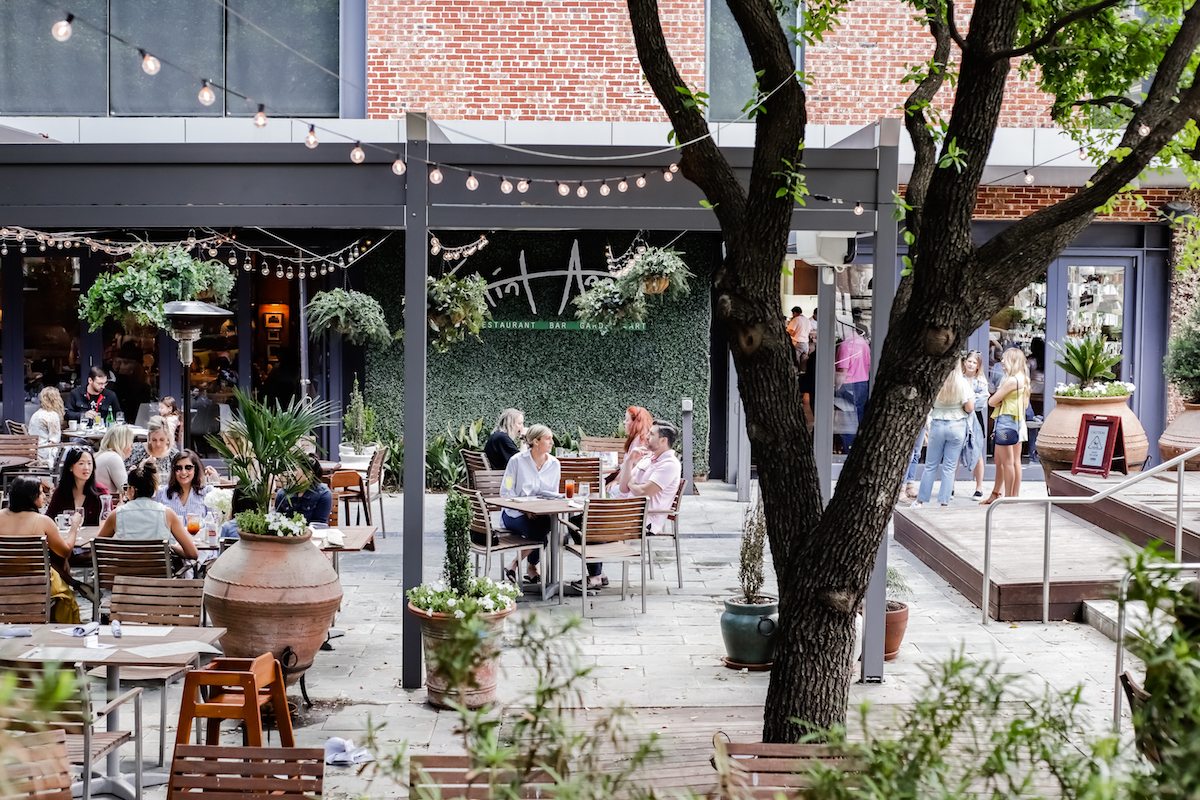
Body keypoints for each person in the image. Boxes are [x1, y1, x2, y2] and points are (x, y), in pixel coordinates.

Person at [601, 419, 684, 592]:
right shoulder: (647, 459)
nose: (646, 436)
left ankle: (594, 576)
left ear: (663, 441)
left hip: (643, 520)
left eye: (651, 434)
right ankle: (596, 575)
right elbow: (624, 487)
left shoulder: (669, 464)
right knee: (579, 523)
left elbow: (644, 491)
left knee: (589, 525)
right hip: (627, 513)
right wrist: (630, 461)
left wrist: (632, 484)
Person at [0, 477, 81, 622]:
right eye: (41, 492)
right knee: (59, 567)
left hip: (4, 582)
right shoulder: (43, 521)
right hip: (37, 583)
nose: (44, 496)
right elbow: (66, 551)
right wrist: (74, 526)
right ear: (31, 497)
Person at [96, 460, 199, 559]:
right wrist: (170, 548)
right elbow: (192, 553)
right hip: (159, 575)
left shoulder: (117, 514)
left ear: (132, 490)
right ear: (154, 488)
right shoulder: (167, 513)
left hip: (124, 574)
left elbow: (98, 547)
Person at [500, 424, 561, 586]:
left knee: (544, 525)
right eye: (548, 439)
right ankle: (530, 567)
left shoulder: (554, 464)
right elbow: (506, 492)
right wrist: (524, 509)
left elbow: (552, 494)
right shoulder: (516, 462)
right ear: (535, 441)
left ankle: (515, 565)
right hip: (514, 514)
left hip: (540, 514)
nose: (552, 442)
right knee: (543, 533)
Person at [912, 362, 974, 507]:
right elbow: (970, 407)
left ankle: (920, 501)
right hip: (957, 425)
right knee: (949, 467)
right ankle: (943, 503)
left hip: (938, 424)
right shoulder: (962, 383)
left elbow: (927, 402)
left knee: (930, 466)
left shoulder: (935, 381)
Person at [982, 347, 1030, 505]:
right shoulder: (1022, 378)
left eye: (1004, 359)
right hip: (1017, 422)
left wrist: (998, 400)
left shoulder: (1011, 380)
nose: (1001, 361)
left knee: (1006, 462)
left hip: (1005, 423)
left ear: (1012, 361)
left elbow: (991, 401)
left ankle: (1008, 498)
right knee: (1015, 462)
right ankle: (1012, 496)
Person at [156, 449, 220, 521]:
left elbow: (214, 522)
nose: (183, 472)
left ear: (195, 469)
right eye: (178, 468)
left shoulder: (207, 492)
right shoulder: (161, 493)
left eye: (188, 467)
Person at [45, 445, 103, 525]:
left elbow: (107, 521)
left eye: (89, 463)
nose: (86, 467)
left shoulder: (101, 492)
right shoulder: (61, 492)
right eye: (81, 463)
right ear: (70, 467)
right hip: (65, 536)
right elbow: (49, 518)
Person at [835, 326, 871, 449]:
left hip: (848, 385)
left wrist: (835, 389)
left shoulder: (845, 345)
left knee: (847, 423)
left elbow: (842, 371)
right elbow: (869, 365)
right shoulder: (864, 344)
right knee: (859, 420)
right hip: (863, 384)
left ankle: (848, 451)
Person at [274, 453, 333, 525]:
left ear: (309, 474)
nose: (291, 473)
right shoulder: (283, 493)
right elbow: (277, 521)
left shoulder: (323, 494)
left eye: (295, 470)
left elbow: (319, 526)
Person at [962, 350, 989, 499]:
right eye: (969, 361)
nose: (971, 364)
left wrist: (966, 400)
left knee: (977, 452)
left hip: (976, 419)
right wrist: (973, 397)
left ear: (978, 366)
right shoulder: (958, 379)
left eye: (975, 362)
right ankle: (951, 487)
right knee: (956, 453)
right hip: (960, 417)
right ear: (964, 362)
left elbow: (980, 404)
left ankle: (979, 487)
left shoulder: (982, 381)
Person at [127, 415, 179, 487]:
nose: (158, 444)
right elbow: (124, 477)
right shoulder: (136, 450)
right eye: (154, 440)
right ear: (149, 436)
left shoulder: (174, 455)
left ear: (167, 437)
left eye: (162, 439)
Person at [95, 424, 135, 496]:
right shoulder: (113, 457)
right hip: (106, 503)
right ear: (121, 442)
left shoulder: (104, 454)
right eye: (130, 441)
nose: (133, 445)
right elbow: (127, 491)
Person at [28, 386, 64, 467]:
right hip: (45, 454)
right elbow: (55, 440)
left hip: (34, 451)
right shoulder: (52, 415)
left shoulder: (36, 414)